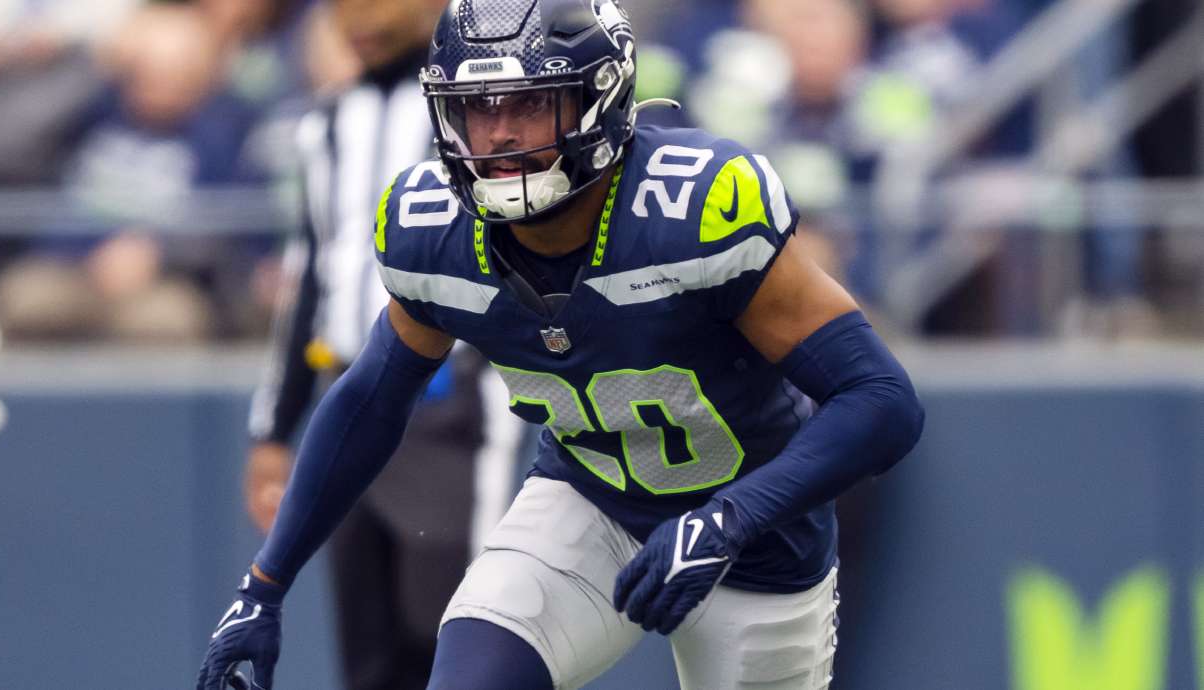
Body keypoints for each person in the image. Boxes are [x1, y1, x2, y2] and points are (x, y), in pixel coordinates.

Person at [196, 1, 925, 688]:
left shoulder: (692, 208)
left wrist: (731, 517)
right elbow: (370, 398)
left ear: (598, 96)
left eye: (527, 102)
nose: (502, 134)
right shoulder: (434, 228)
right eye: (477, 110)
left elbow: (882, 400)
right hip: (589, 501)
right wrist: (264, 585)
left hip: (758, 534)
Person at [244, 0, 522, 688]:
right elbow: (312, 277)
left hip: (454, 401)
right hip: (352, 399)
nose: (358, 17)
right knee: (367, 649)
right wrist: (275, 428)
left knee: (463, 630)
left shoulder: (484, 110)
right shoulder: (327, 123)